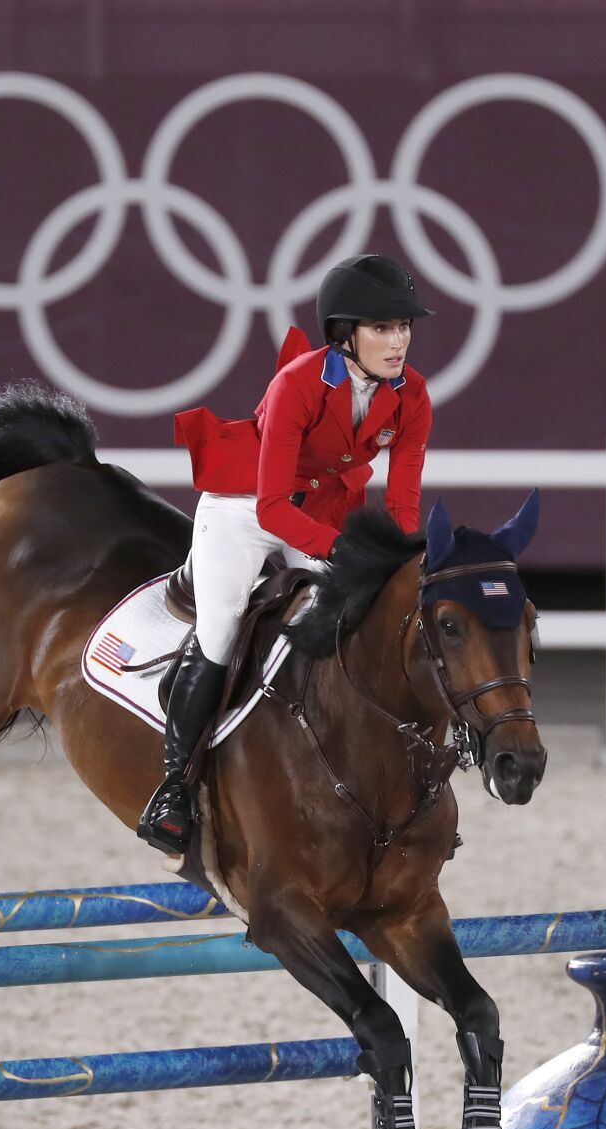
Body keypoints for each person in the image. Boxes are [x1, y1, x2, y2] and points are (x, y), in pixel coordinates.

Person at [137, 253, 434, 856]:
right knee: (221, 628)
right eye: (382, 327)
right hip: (246, 506)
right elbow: (272, 508)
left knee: (360, 618)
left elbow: (403, 507)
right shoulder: (298, 382)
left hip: (320, 511)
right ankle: (173, 790)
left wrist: (399, 567)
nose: (398, 340)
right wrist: (348, 551)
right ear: (344, 335)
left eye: (403, 327)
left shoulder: (412, 396)